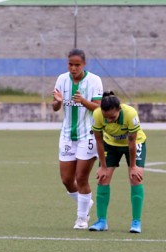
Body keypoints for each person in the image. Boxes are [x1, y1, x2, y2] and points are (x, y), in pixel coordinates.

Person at [52, 48, 103, 229]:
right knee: (67, 179)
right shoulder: (62, 79)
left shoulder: (94, 81)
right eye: (70, 64)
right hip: (67, 134)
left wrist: (83, 101)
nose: (73, 68)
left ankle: (82, 218)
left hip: (87, 134)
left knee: (81, 178)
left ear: (84, 64)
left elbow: (98, 108)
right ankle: (85, 201)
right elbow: (56, 107)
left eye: (77, 65)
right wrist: (57, 102)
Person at [88, 91, 147, 233]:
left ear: (119, 109)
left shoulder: (130, 114)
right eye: (105, 117)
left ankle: (136, 222)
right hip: (110, 144)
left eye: (112, 117)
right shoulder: (97, 114)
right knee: (103, 178)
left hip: (134, 143)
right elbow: (99, 140)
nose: (108, 120)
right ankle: (102, 221)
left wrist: (133, 166)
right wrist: (102, 166)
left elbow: (132, 141)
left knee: (135, 178)